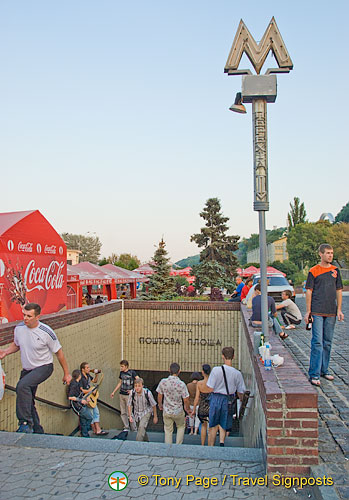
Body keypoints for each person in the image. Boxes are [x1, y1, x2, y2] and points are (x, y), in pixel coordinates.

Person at [0, 303, 72, 433]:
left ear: (38, 316)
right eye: (24, 315)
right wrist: (6, 351)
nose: (25, 318)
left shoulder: (46, 332)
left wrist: (66, 373)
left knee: (22, 386)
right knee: (27, 398)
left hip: (44, 367)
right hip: (28, 369)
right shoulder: (19, 328)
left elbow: (59, 353)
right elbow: (17, 345)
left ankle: (24, 423)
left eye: (29, 316)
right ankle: (38, 430)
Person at [305, 244, 344, 387]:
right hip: (317, 311)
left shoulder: (335, 271)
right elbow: (308, 291)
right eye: (327, 253)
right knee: (317, 342)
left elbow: (339, 290)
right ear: (320, 254)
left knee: (328, 342)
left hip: (331, 311)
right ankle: (314, 373)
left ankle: (324, 369)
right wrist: (308, 311)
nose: (330, 255)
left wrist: (339, 309)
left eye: (332, 253)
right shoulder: (313, 271)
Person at [207, 347, 245, 447]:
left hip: (215, 398)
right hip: (229, 400)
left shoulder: (216, 370)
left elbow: (210, 388)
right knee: (224, 423)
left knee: (213, 425)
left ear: (222, 356)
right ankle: (222, 442)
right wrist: (241, 400)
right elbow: (241, 391)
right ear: (233, 356)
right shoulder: (237, 373)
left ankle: (210, 447)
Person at [156, 362, 190, 445]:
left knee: (168, 429)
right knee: (181, 426)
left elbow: (159, 396)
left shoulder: (163, 382)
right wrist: (188, 409)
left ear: (169, 370)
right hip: (178, 410)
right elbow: (186, 399)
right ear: (179, 371)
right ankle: (178, 446)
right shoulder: (181, 384)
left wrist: (160, 405)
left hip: (167, 410)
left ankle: (168, 448)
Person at [80, 362, 108, 436]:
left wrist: (96, 375)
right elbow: (82, 390)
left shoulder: (88, 375)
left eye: (89, 367)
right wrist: (90, 390)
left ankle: (98, 430)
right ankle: (95, 430)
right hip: (86, 398)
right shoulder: (81, 378)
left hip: (91, 396)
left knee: (96, 412)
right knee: (91, 414)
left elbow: (94, 381)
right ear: (83, 369)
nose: (89, 369)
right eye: (87, 368)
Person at [111, 360, 138, 431]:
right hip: (122, 393)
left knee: (129, 411)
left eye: (122, 366)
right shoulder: (121, 373)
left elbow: (138, 380)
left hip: (129, 394)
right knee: (123, 411)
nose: (121, 368)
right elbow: (120, 382)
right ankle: (126, 426)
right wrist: (114, 391)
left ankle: (134, 428)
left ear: (126, 366)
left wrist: (133, 390)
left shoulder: (132, 373)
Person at [68, 369, 93, 438]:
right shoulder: (74, 385)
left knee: (83, 420)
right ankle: (85, 432)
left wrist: (85, 398)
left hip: (80, 404)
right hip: (77, 405)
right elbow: (70, 397)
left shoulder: (77, 383)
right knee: (89, 417)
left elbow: (80, 394)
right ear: (79, 376)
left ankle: (84, 434)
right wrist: (80, 400)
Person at [191, 364, 211, 446]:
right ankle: (210, 444)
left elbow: (197, 398)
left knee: (203, 425)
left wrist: (194, 409)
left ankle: (202, 444)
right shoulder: (213, 383)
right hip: (211, 406)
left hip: (202, 406)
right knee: (211, 427)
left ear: (202, 372)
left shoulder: (199, 383)